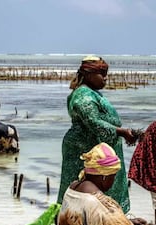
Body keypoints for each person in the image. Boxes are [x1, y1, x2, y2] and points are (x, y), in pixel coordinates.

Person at [57, 55, 136, 214]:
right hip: (85, 151)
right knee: (85, 192)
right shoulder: (83, 95)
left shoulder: (92, 92)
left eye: (106, 73)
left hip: (95, 148)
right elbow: (93, 122)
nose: (106, 78)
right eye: (102, 73)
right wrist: (121, 132)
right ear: (88, 74)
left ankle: (104, 223)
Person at [56, 142, 156, 225]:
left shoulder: (73, 188)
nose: (113, 180)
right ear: (104, 176)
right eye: (113, 176)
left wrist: (128, 222)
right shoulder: (101, 204)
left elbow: (92, 223)